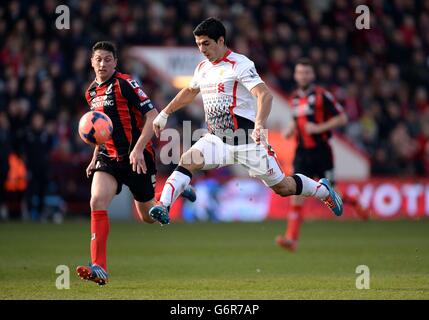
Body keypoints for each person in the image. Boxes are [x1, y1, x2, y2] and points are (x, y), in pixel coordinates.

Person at [148, 18, 343, 229]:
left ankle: (323, 190)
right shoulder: (202, 68)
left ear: (220, 40)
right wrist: (165, 113)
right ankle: (164, 206)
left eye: (206, 43)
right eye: (198, 44)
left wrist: (259, 124)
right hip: (216, 139)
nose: (202, 49)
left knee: (283, 187)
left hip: (246, 139)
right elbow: (189, 92)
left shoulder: (240, 64)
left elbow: (264, 95)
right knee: (187, 160)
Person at [76, 41, 195, 286]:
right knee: (96, 201)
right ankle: (99, 267)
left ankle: (177, 188)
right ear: (91, 62)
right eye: (98, 59)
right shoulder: (91, 93)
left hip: (138, 157)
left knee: (147, 216)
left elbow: (152, 116)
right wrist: (94, 156)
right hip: (108, 158)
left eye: (107, 59)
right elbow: (99, 130)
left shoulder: (125, 84)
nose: (102, 64)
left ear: (115, 62)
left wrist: (139, 148)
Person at [275, 58, 367, 252]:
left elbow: (342, 117)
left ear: (313, 75)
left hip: (322, 151)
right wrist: (290, 129)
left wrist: (319, 127)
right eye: (300, 72)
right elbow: (297, 120)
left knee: (333, 193)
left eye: (307, 72)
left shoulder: (322, 96)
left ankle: (355, 202)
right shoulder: (294, 98)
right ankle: (291, 239)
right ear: (295, 75)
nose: (303, 76)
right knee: (296, 193)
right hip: (302, 153)